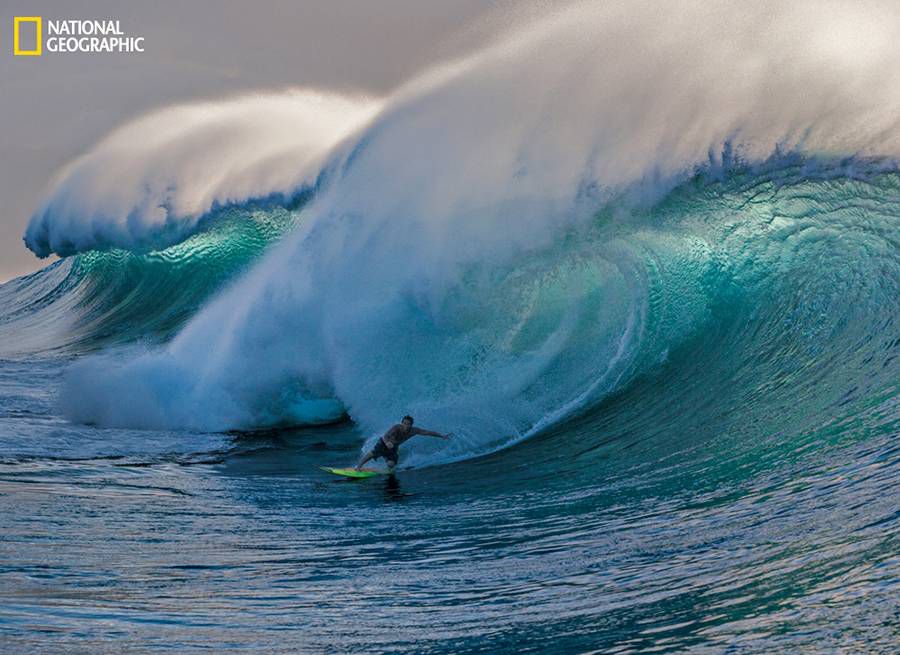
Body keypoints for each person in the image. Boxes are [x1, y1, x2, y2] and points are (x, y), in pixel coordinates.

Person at [355, 415, 451, 471]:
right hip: (384, 443)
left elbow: (427, 432)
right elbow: (385, 436)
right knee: (373, 453)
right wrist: (387, 442)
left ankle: (384, 466)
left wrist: (442, 436)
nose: (406, 425)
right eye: (404, 423)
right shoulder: (396, 427)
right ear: (402, 423)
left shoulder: (414, 430)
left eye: (408, 424)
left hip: (394, 448)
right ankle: (358, 467)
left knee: (391, 465)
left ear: (411, 425)